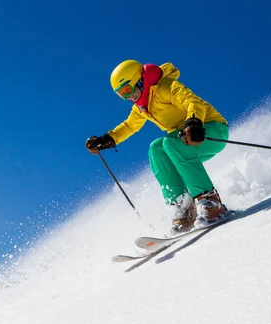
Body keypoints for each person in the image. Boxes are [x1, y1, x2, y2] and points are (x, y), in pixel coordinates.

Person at [85, 60, 230, 233]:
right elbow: (129, 126)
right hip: (183, 141)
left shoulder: (165, 87)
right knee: (156, 149)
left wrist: (195, 122)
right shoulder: (142, 107)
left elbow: (192, 101)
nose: (127, 97)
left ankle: (210, 201)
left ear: (138, 80)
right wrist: (107, 139)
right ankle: (183, 207)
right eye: (121, 95)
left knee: (169, 143)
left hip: (209, 131)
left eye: (127, 90)